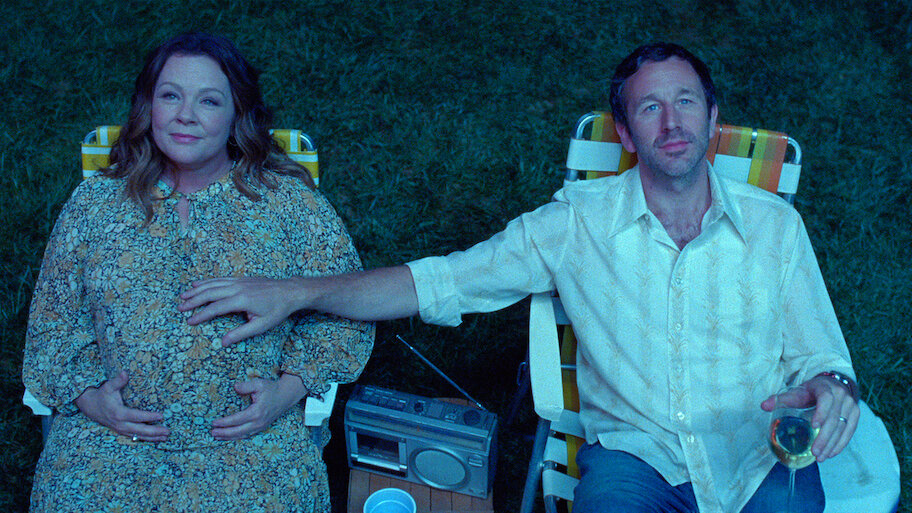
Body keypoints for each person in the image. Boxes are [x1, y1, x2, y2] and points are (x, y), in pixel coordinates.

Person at [179, 42, 859, 513]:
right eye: (650, 107)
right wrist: (296, 292)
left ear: (712, 119)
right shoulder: (575, 225)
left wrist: (833, 390)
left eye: (685, 102)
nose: (672, 121)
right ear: (625, 133)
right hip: (636, 464)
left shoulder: (775, 228)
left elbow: (825, 360)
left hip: (759, 456)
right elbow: (438, 282)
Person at [22, 32, 374, 512]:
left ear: (236, 116)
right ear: (149, 107)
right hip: (108, 440)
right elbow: (53, 321)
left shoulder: (290, 205)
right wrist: (90, 400)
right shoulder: (96, 202)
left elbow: (345, 310)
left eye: (208, 101)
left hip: (251, 446)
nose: (185, 115)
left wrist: (286, 393)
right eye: (171, 96)